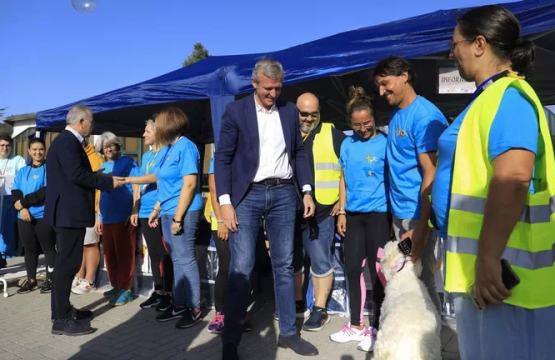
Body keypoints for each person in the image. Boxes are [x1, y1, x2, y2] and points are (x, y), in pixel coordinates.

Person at [431, 5, 555, 359]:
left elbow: (514, 177)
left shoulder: (509, 98)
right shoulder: (489, 98)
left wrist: (487, 258)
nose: (451, 51)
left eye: (455, 43)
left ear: (479, 44)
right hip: (490, 271)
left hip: (504, 275)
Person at [215, 58, 318, 360]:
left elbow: (298, 153)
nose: (274, 94)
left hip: (285, 194)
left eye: (278, 88)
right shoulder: (236, 111)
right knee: (241, 268)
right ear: (254, 83)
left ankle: (288, 333)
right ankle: (230, 341)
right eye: (268, 88)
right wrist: (225, 203)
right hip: (247, 195)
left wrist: (307, 191)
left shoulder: (289, 111)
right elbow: (222, 158)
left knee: (284, 266)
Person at [373, 55, 447, 314]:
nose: (381, 92)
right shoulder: (396, 114)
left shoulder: (425, 116)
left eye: (385, 83)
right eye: (378, 86)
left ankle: (432, 346)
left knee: (422, 282)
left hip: (418, 217)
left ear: (404, 75)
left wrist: (423, 228)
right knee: (407, 281)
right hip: (401, 213)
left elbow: (432, 173)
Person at [45, 105, 122, 336]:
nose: (93, 125)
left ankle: (64, 309)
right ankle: (60, 319)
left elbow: (75, 174)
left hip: (69, 213)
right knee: (66, 266)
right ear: (81, 122)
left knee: (67, 265)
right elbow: (77, 175)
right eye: (91, 121)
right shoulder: (68, 141)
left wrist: (102, 178)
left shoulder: (67, 141)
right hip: (68, 214)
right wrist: (108, 182)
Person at [329, 87, 389, 352]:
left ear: (374, 118)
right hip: (352, 216)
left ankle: (378, 328)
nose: (363, 128)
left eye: (367, 123)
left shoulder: (386, 143)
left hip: (379, 215)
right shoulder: (347, 143)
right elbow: (342, 179)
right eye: (357, 124)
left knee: (377, 274)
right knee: (352, 269)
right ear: (350, 123)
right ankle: (356, 325)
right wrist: (341, 211)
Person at [136, 108, 204, 329]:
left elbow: (190, 184)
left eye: (159, 123)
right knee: (176, 259)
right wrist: (157, 208)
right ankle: (181, 303)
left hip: (182, 211)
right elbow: (163, 181)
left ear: (169, 125)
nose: (155, 128)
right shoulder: (169, 149)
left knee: (185, 259)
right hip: (167, 211)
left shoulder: (186, 147)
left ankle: (194, 307)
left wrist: (177, 218)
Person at [294, 93, 345, 332]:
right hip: (288, 211)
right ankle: (296, 304)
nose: (308, 117)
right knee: (292, 262)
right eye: (304, 113)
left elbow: (351, 167)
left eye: (313, 113)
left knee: (320, 262)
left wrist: (342, 202)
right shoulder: (287, 133)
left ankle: (320, 310)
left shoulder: (332, 134)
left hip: (322, 212)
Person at [130, 120, 174, 312]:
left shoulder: (167, 153)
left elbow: (154, 177)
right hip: (145, 211)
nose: (144, 135)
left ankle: (169, 293)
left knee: (164, 253)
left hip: (161, 209)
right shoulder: (146, 155)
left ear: (158, 132)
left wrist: (128, 178)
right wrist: (135, 208)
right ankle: (158, 290)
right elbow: (138, 185)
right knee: (154, 254)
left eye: (147, 131)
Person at [206, 156, 252, 334]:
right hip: (222, 219)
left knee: (244, 269)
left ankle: (241, 312)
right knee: (226, 267)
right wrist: (221, 221)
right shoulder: (219, 155)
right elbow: (213, 189)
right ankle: (220, 313)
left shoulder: (247, 151)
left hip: (245, 218)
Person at [95, 132, 139, 306]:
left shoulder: (129, 162)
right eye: (105, 147)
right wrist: (98, 215)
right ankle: (115, 285)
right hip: (106, 217)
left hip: (123, 215)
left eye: (111, 145)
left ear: (117, 145)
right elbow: (99, 192)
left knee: (124, 253)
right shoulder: (103, 167)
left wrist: (134, 209)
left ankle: (126, 289)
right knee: (109, 254)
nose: (108, 149)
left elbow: (136, 186)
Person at [11, 138, 56, 294]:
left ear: (45, 150)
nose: (38, 152)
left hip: (43, 215)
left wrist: (23, 203)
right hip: (24, 217)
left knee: (48, 248)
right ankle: (31, 280)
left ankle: (51, 279)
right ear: (29, 151)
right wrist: (22, 208)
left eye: (41, 149)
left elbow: (45, 192)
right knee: (29, 249)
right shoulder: (23, 171)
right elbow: (15, 191)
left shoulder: (49, 169)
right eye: (34, 149)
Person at [72, 137, 105, 295]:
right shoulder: (75, 157)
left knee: (91, 244)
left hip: (92, 209)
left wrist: (98, 212)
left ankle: (90, 279)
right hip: (79, 208)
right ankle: (79, 275)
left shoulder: (95, 159)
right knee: (81, 244)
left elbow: (99, 188)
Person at [0, 134, 26, 259]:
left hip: (9, 197)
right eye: (2, 145)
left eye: (8, 145)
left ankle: (8, 252)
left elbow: (23, 176)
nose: (5, 148)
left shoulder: (17, 160)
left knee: (8, 225)